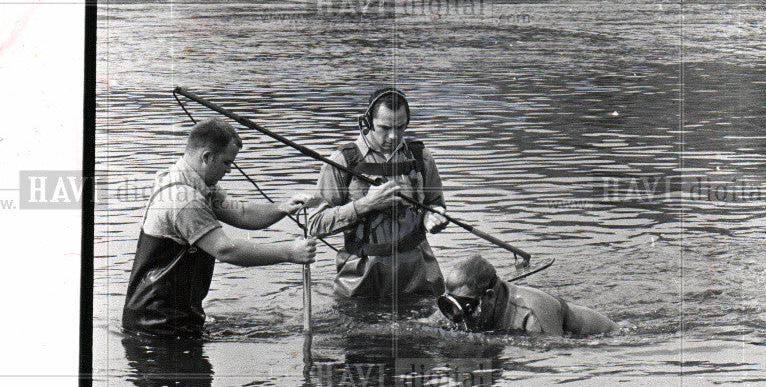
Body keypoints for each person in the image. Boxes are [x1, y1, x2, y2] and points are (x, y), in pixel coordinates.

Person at [122, 118, 316, 339]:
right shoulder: (185, 200)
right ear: (206, 157)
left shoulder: (196, 183)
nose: (230, 170)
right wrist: (290, 252)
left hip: (171, 317)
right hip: (157, 325)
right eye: (226, 163)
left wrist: (283, 208)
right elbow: (225, 250)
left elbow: (241, 213)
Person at [308, 87, 449, 301]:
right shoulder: (343, 161)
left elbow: (437, 204)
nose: (393, 136)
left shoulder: (421, 156)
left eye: (401, 127)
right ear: (368, 122)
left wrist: (435, 217)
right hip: (361, 278)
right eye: (384, 128)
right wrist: (365, 204)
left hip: (418, 275)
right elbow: (315, 224)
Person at [437, 255, 616, 336]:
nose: (457, 318)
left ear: (489, 297)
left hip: (607, 334)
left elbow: (553, 353)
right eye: (448, 305)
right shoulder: (462, 305)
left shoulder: (531, 316)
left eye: (467, 308)